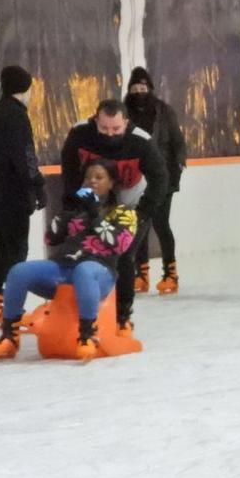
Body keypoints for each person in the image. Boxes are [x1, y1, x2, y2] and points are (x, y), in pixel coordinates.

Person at [0, 159, 138, 361]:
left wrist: (95, 214)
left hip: (99, 272)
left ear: (111, 182)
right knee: (18, 271)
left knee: (84, 270)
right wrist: (67, 212)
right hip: (65, 267)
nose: (91, 182)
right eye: (88, 178)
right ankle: (10, 336)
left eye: (99, 177)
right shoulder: (78, 210)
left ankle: (87, 335)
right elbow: (51, 238)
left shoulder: (124, 212)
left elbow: (119, 244)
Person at [60, 100, 168, 336]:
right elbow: (69, 172)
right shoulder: (80, 133)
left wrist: (141, 213)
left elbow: (161, 179)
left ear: (126, 123)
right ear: (95, 121)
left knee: (123, 256)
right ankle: (81, 313)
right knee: (83, 252)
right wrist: (75, 204)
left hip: (130, 198)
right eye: (104, 129)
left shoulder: (141, 141)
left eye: (116, 130)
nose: (110, 135)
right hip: (92, 196)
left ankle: (122, 316)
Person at [0, 65, 45, 331]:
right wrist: (37, 185)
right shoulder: (16, 116)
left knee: (5, 250)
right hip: (9, 196)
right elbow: (24, 156)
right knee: (16, 252)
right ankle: (10, 313)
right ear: (26, 89)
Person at [124, 67, 187, 296]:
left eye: (143, 88)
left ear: (150, 88)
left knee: (161, 224)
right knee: (139, 224)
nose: (139, 92)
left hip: (163, 177)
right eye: (135, 88)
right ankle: (141, 274)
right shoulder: (124, 112)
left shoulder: (163, 111)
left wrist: (177, 168)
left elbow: (178, 142)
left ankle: (170, 274)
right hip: (134, 178)